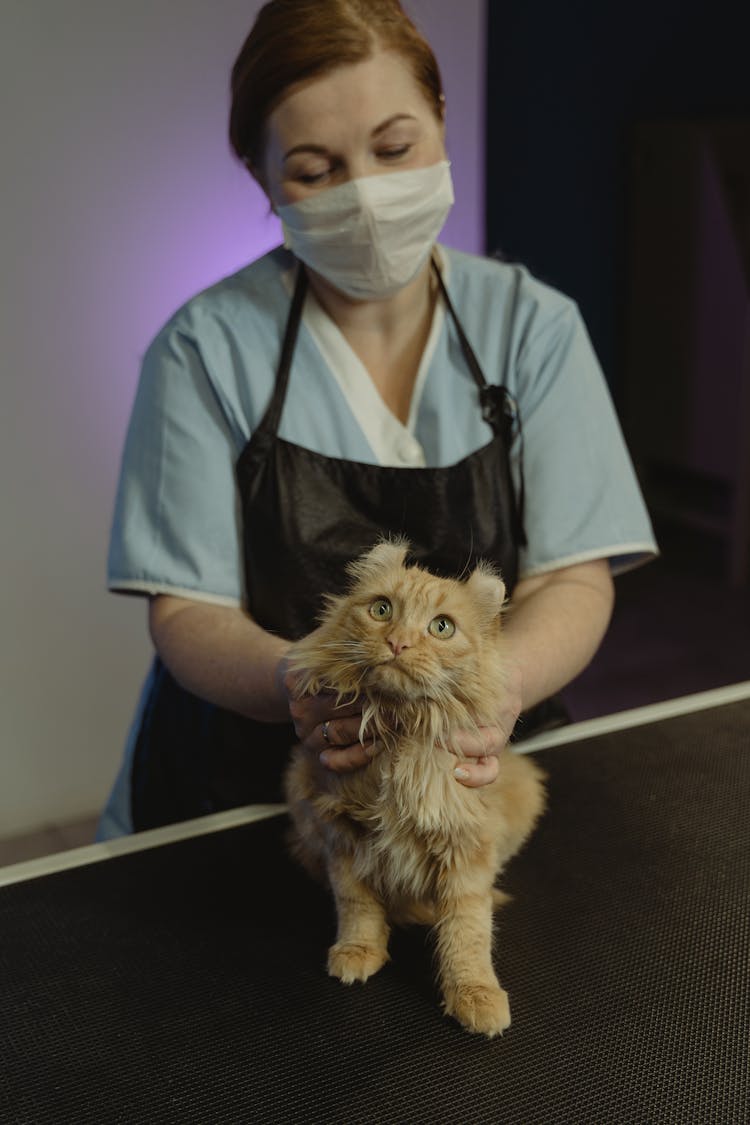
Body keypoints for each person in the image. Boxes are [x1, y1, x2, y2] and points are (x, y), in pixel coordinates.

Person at [98, 0, 657, 840]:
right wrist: (301, 683)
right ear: (261, 178)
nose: (364, 195)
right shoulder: (203, 348)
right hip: (241, 797)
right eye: (316, 170)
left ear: (439, 119)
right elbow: (186, 614)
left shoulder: (532, 326)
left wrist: (494, 687)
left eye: (395, 149)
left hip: (474, 777)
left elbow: (573, 578)